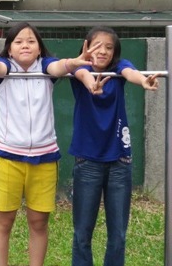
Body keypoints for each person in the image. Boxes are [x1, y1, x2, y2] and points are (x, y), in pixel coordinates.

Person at [0, 22, 101, 266]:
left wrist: (73, 63)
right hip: (9, 158)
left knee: (39, 222)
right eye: (18, 41)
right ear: (9, 49)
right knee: (3, 221)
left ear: (39, 48)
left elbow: (61, 66)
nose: (25, 45)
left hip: (45, 160)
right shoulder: (5, 68)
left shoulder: (46, 67)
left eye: (31, 41)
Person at [69, 26, 159, 266]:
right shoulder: (78, 68)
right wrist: (91, 84)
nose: (103, 51)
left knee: (118, 235)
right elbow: (82, 74)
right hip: (87, 161)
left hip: (120, 161)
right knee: (82, 235)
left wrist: (143, 81)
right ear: (87, 46)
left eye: (109, 47)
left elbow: (131, 72)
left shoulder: (119, 69)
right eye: (98, 45)